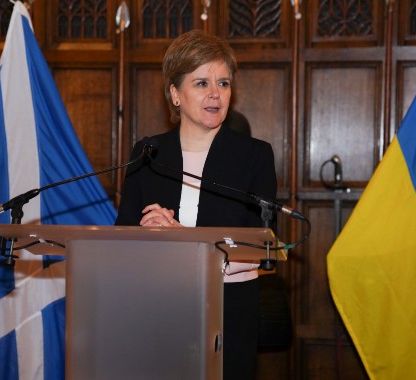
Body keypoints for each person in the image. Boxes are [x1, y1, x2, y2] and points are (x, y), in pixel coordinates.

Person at [115, 30, 277, 379]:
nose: (215, 94)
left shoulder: (254, 156)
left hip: (229, 307)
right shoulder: (148, 153)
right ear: (175, 93)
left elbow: (260, 246)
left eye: (223, 83)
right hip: (159, 303)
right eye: (202, 83)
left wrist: (181, 237)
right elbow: (122, 237)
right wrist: (147, 233)